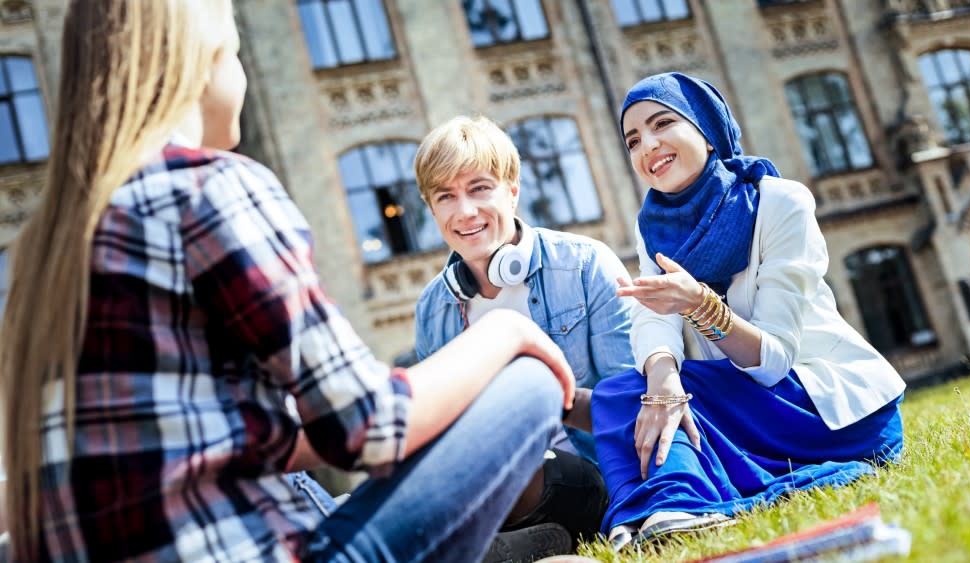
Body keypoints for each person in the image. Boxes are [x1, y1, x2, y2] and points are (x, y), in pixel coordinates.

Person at [0, 2, 577, 561]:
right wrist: (503, 332)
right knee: (526, 384)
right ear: (201, 63)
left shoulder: (42, 247)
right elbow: (369, 427)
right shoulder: (210, 189)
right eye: (235, 51)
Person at [592, 72, 907, 550]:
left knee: (622, 395)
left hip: (826, 406)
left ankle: (680, 501)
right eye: (633, 140)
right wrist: (662, 376)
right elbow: (653, 319)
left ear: (706, 128)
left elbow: (774, 360)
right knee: (633, 392)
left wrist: (700, 304)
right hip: (756, 407)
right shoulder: (653, 227)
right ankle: (655, 511)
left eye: (662, 124)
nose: (647, 146)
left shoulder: (780, 202)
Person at [412, 116, 634, 553]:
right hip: (481, 487)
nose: (465, 211)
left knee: (501, 465)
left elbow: (630, 408)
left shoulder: (585, 265)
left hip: (589, 474)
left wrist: (536, 396)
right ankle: (510, 548)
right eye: (446, 196)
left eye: (479, 188)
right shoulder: (433, 308)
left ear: (512, 191)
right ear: (432, 209)